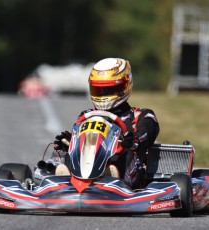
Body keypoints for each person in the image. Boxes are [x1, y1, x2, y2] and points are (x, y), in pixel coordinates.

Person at [53, 58, 160, 190]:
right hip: (88, 167)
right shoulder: (86, 116)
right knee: (74, 147)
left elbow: (147, 132)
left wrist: (133, 140)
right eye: (99, 90)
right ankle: (68, 177)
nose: (104, 95)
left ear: (125, 86)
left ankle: (111, 177)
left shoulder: (141, 115)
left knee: (128, 152)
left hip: (125, 169)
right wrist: (68, 142)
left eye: (110, 90)